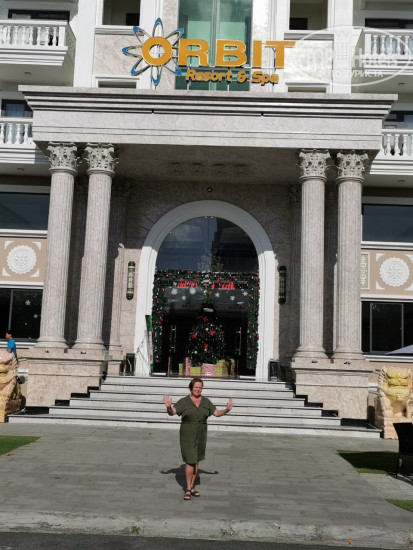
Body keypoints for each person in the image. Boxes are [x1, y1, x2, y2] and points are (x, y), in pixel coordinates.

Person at [163, 377, 233, 500]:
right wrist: (168, 407)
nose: (198, 389)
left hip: (201, 434)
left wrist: (226, 409)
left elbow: (216, 413)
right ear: (191, 388)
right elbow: (172, 412)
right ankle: (188, 489)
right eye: (196, 387)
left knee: (196, 461)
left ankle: (191, 487)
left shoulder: (206, 402)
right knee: (190, 460)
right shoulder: (184, 401)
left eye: (200, 387)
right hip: (187, 434)